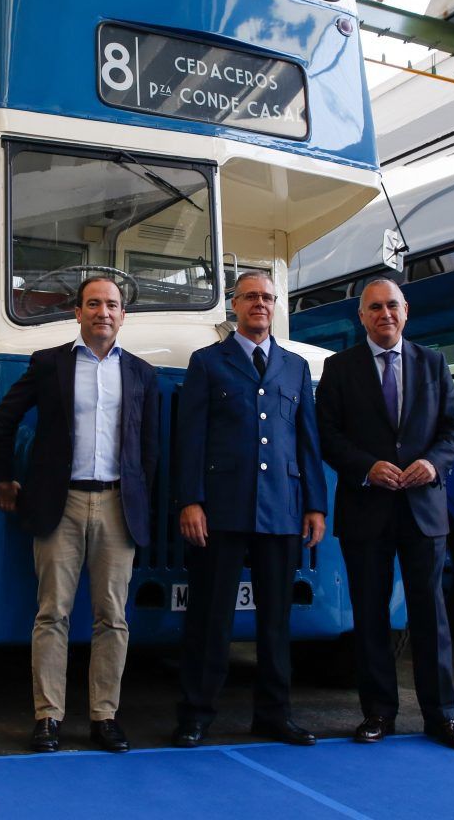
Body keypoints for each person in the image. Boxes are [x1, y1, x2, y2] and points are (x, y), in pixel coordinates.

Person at [0, 276, 158, 754]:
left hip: (117, 506)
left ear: (123, 316)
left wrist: (137, 496)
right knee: (52, 614)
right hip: (57, 505)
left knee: (113, 618)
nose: (103, 312)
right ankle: (48, 718)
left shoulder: (142, 374)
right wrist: (3, 478)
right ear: (77, 313)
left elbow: (150, 449)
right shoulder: (49, 365)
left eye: (112, 305)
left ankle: (105, 717)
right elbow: (6, 418)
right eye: (93, 304)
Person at [315, 278, 454, 751]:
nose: (384, 314)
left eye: (392, 306)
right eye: (374, 307)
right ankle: (378, 713)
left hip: (424, 510)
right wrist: (366, 467)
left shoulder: (434, 362)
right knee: (370, 617)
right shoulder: (338, 369)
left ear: (406, 312)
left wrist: (434, 463)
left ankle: (441, 717)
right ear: (360, 317)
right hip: (366, 510)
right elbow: (327, 434)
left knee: (431, 617)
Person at [172, 271, 326, 748]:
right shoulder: (206, 362)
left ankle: (274, 715)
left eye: (266, 297)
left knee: (276, 621)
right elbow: (190, 438)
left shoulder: (295, 366)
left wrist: (315, 506)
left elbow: (307, 440)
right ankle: (196, 714)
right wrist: (190, 500)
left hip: (281, 508)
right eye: (250, 297)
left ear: (275, 305)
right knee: (209, 617)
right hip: (220, 509)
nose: (259, 304)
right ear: (234, 305)